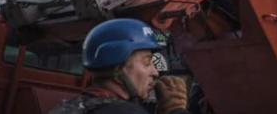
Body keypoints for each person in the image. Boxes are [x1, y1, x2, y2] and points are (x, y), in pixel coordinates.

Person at [50, 18, 190, 114]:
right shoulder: (124, 112)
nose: (155, 72)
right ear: (118, 67)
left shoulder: (69, 106)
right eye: (147, 62)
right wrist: (175, 110)